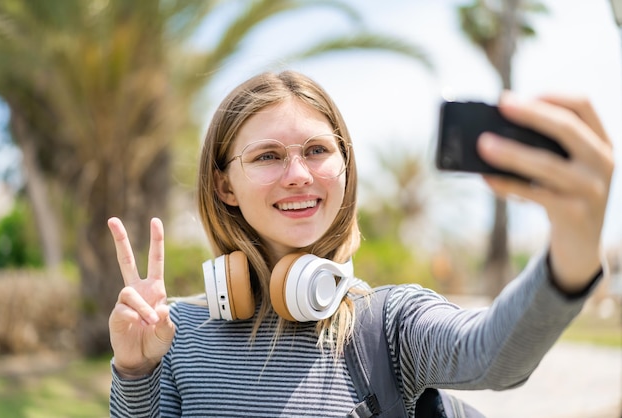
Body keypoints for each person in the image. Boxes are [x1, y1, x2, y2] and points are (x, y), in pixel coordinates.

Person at [107, 70, 613, 417]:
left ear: (344, 170)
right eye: (267, 156)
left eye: (317, 150)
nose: (298, 175)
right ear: (224, 185)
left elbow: (497, 357)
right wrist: (135, 369)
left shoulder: (388, 324)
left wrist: (573, 245)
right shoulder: (173, 336)